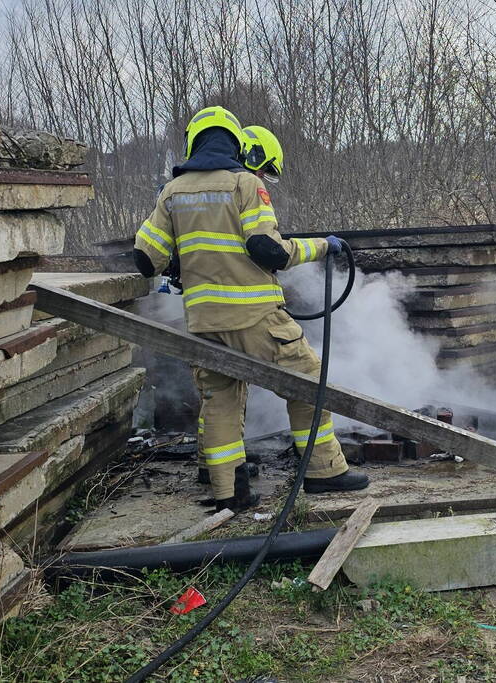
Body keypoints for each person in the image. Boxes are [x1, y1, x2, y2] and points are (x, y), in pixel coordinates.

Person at [133, 106, 369, 512]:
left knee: (220, 398)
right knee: (310, 382)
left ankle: (229, 493)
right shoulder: (245, 184)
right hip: (256, 317)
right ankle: (323, 470)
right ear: (235, 141)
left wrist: (184, 260)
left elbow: (145, 258)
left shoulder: (172, 192)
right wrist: (321, 247)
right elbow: (267, 250)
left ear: (195, 140)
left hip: (203, 322)